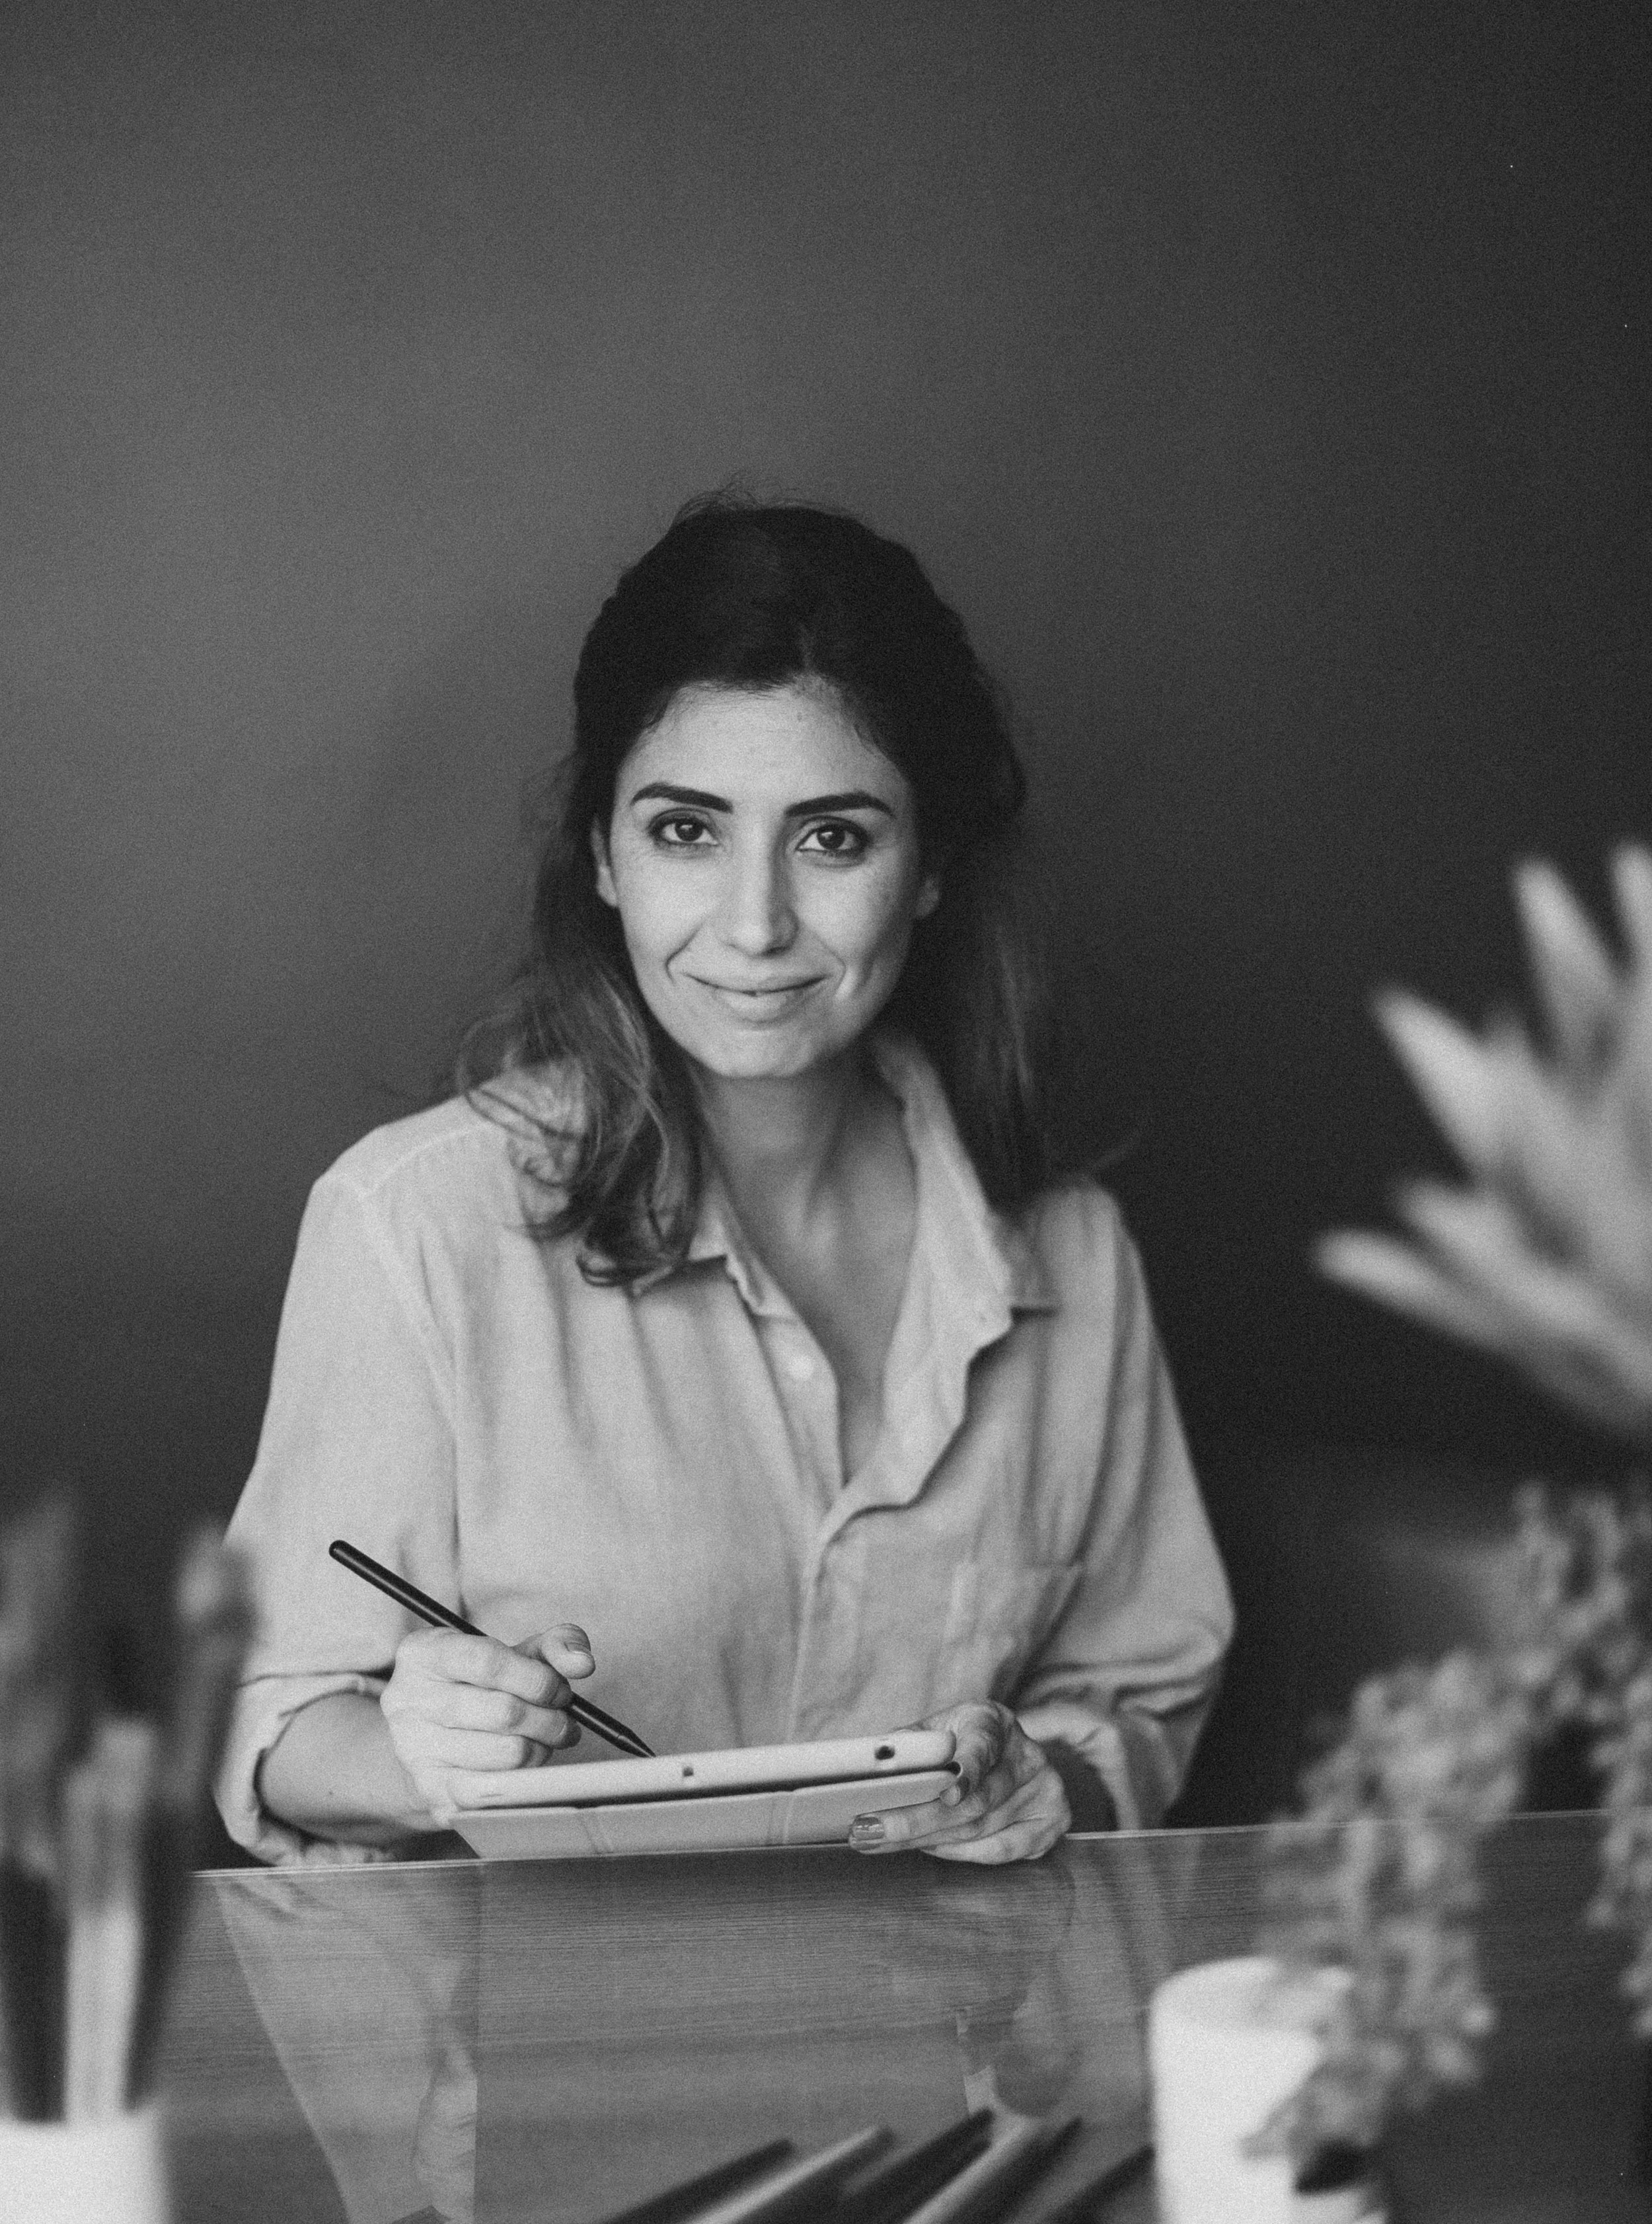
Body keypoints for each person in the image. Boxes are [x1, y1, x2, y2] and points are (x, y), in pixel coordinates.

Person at [217, 498, 1232, 1866]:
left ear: (927, 869)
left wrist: (1044, 1782)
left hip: (944, 2045)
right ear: (600, 857)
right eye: (687, 832)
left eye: (832, 839)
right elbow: (273, 1728)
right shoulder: (411, 1227)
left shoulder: (1075, 1254)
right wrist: (409, 1755)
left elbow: (1136, 1694)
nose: (753, 928)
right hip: (551, 2051)